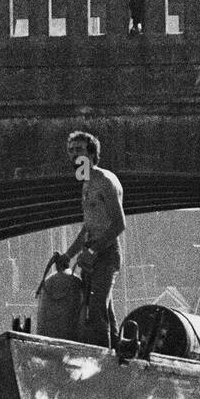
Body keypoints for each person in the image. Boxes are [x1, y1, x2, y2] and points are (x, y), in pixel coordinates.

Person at [53, 131, 125, 348]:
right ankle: (118, 354)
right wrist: (68, 255)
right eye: (71, 150)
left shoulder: (105, 181)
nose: (75, 155)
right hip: (89, 256)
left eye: (80, 150)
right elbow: (88, 227)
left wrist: (93, 252)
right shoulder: (86, 183)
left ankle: (102, 362)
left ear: (92, 154)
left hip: (106, 255)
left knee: (95, 311)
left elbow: (119, 224)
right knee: (102, 311)